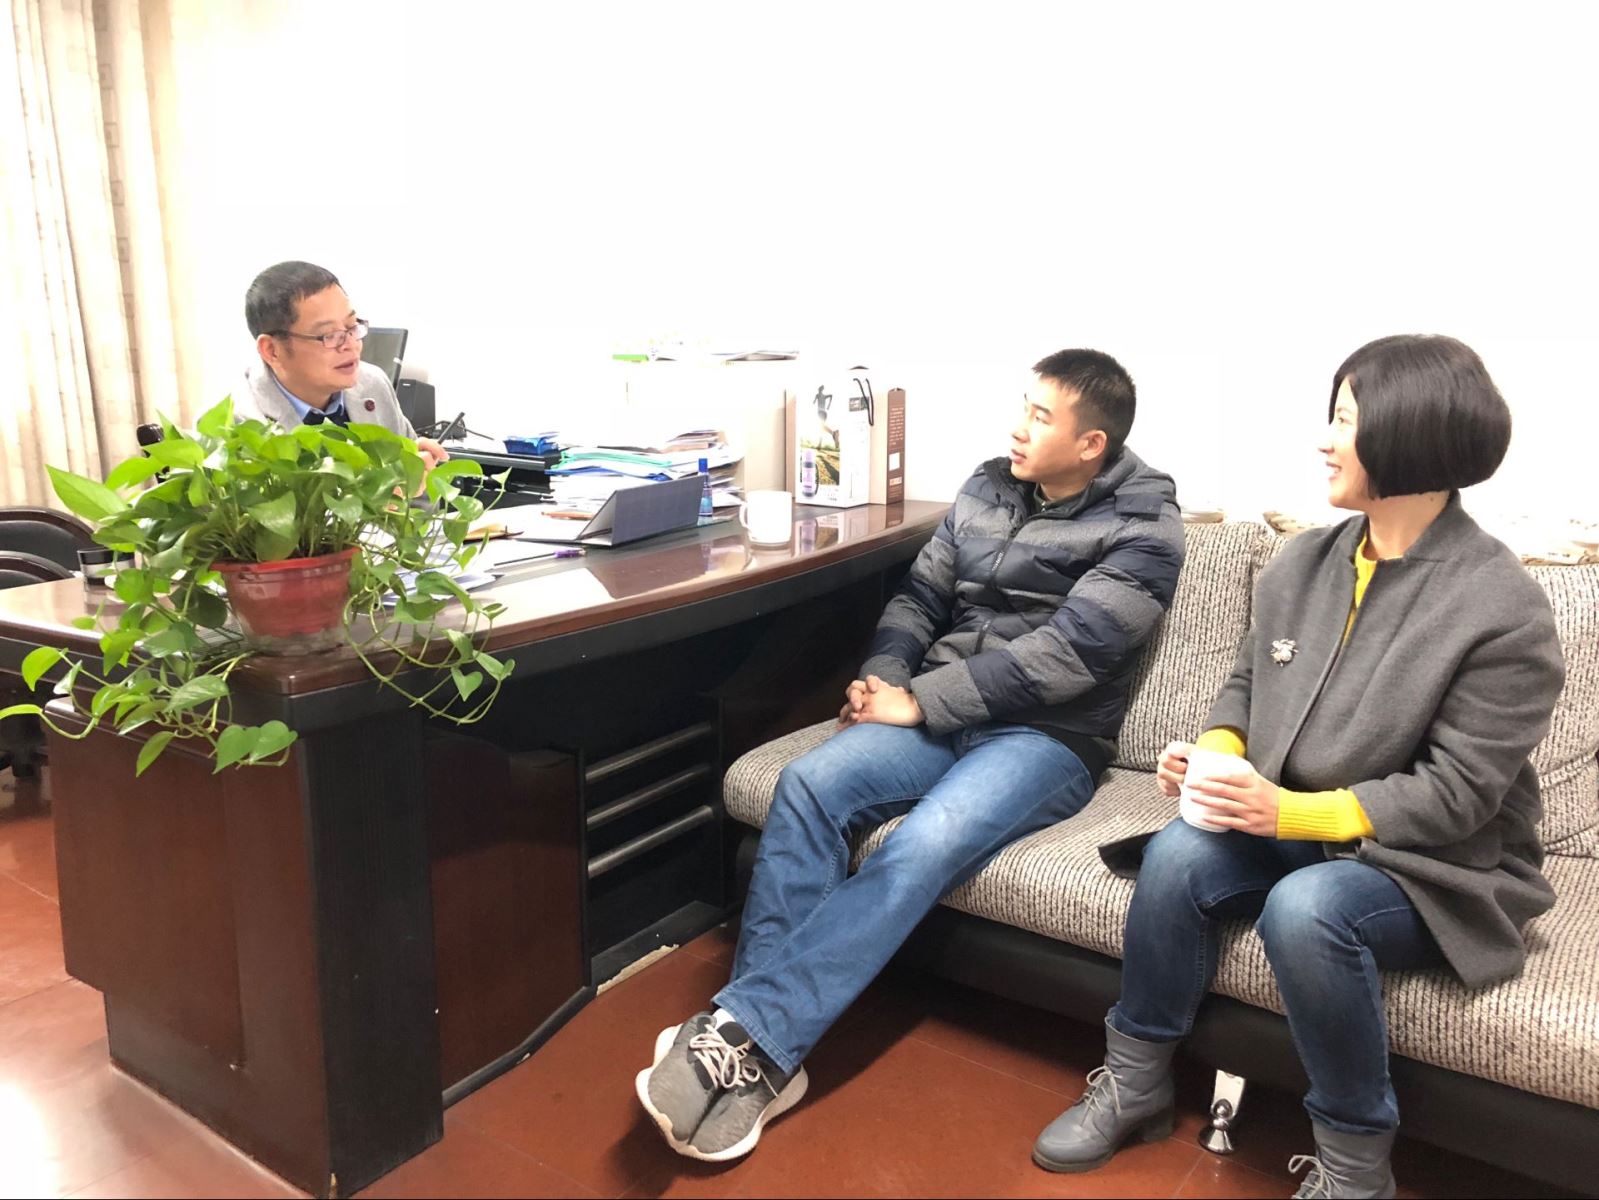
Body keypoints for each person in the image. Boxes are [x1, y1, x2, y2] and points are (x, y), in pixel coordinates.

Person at [1032, 335, 1565, 1199]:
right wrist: (1213, 758)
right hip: (1293, 824)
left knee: (1308, 908)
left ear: (1411, 433)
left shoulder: (1501, 607)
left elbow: (1459, 795)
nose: (1324, 439)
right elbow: (1245, 685)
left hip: (1432, 863)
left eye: (1344, 420)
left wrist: (1286, 814)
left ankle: (1355, 1171)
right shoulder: (1306, 561)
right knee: (1176, 854)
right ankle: (1134, 1083)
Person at [636, 349, 1186, 1162]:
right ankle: (761, 1053)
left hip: (1045, 737)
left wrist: (920, 701)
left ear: (1090, 444)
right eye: (1022, 405)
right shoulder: (989, 485)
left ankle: (744, 1035)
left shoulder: (1146, 525)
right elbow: (921, 596)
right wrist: (883, 677)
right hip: (934, 711)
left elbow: (1068, 655)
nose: (1017, 427)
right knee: (810, 783)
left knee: (927, 840)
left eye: (1039, 416)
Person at [235, 260, 448, 469]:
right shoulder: (241, 426)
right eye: (328, 335)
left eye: (352, 326)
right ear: (272, 350)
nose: (351, 345)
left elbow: (416, 486)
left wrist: (414, 468)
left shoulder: (373, 385)